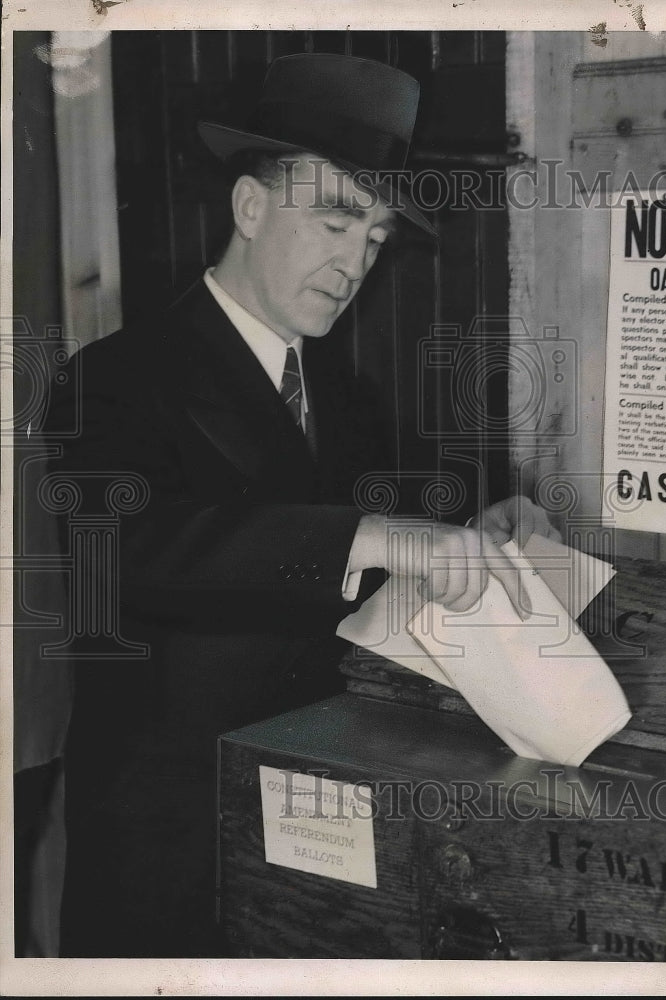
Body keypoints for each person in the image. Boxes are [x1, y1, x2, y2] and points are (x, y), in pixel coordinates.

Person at [46, 53, 558, 957]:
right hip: (170, 838)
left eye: (373, 236)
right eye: (334, 220)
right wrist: (374, 535)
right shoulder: (117, 379)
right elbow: (132, 552)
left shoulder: (342, 396)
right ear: (250, 208)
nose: (355, 260)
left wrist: (479, 526)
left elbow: (390, 547)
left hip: (312, 819)